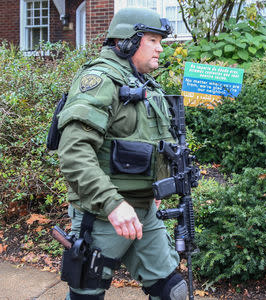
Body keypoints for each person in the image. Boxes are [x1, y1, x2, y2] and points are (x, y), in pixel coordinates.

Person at [56, 7, 187, 300]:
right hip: (103, 214)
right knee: (85, 295)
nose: (160, 47)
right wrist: (112, 204)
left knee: (173, 292)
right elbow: (74, 152)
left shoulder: (142, 83)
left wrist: (156, 182)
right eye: (153, 39)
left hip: (143, 211)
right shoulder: (100, 82)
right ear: (128, 40)